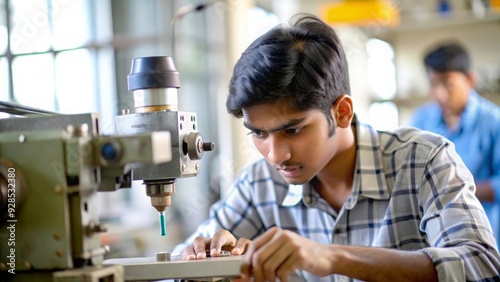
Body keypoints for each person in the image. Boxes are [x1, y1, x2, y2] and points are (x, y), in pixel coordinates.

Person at [173, 14, 500, 281]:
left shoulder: (424, 160)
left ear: (341, 112)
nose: (275, 155)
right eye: (258, 134)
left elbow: (480, 265)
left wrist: (330, 257)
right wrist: (205, 261)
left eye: (294, 129)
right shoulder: (259, 183)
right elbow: (179, 260)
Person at [409, 42, 500, 248]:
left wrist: (455, 190)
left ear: (470, 79)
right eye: (433, 84)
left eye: (447, 83)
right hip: (434, 240)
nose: (439, 94)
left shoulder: (493, 122)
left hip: (484, 238)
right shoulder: (421, 121)